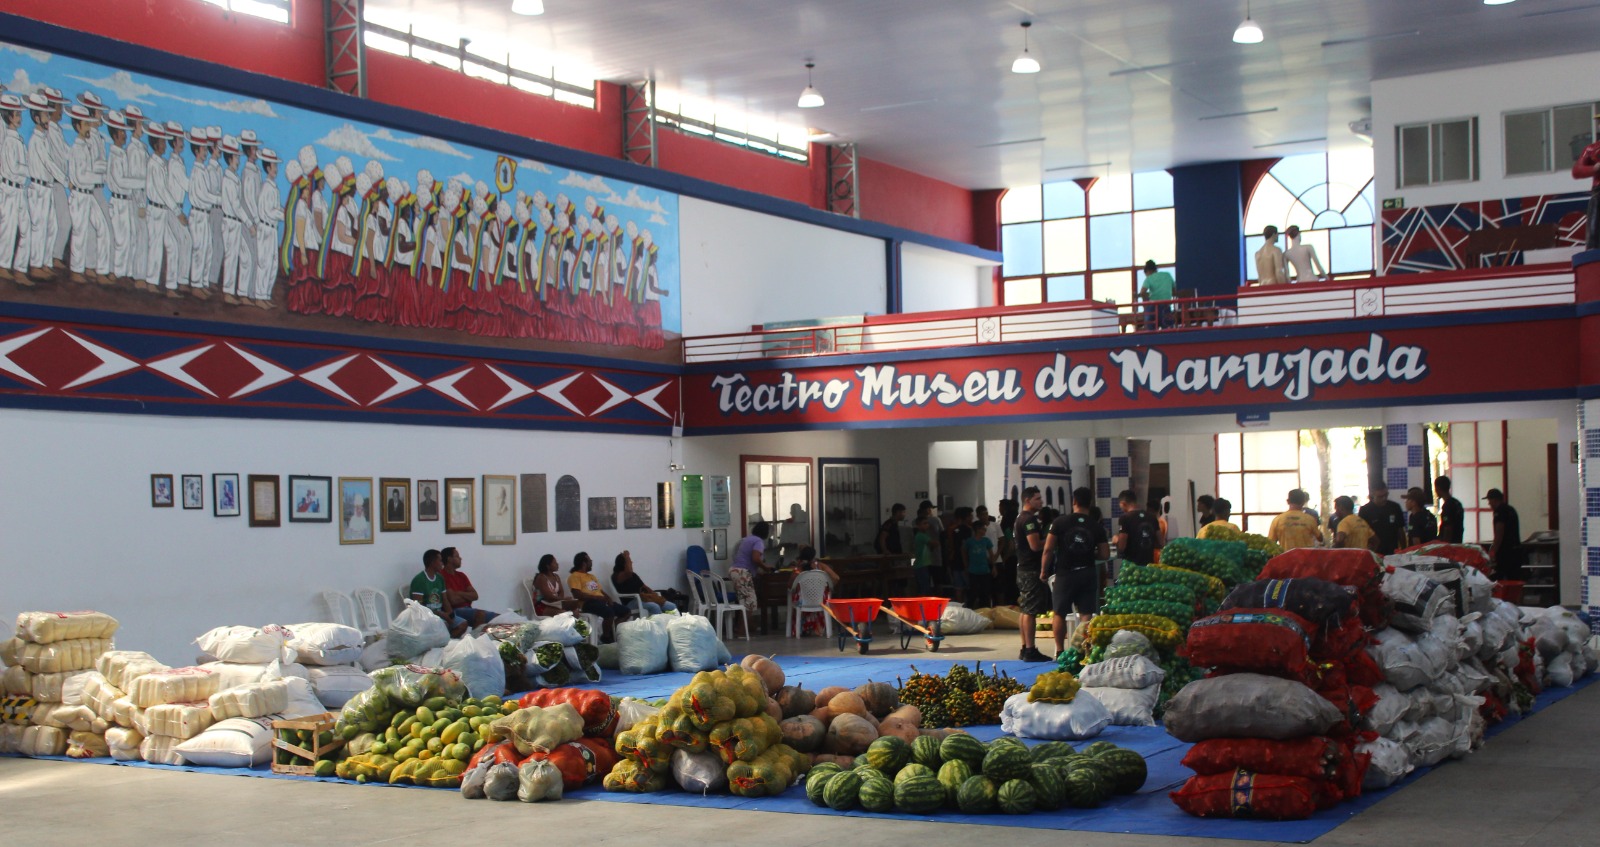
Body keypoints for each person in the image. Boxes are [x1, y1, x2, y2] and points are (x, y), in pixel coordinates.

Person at [1041, 487, 1108, 659]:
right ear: (1090, 503)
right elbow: (1104, 554)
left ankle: (1060, 650)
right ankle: (1084, 651)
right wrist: (1090, 554)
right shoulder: (1096, 526)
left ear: (1074, 501)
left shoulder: (1059, 522)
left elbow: (1048, 549)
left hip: (1065, 574)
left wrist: (1043, 570)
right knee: (1086, 613)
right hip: (1087, 572)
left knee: (1059, 612)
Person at [1013, 486, 1050, 663]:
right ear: (1027, 500)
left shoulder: (1020, 518)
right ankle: (1030, 649)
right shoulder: (1029, 520)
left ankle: (1024, 647)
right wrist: (1051, 541)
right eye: (1037, 498)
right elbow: (1035, 545)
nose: (1041, 501)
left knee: (1025, 609)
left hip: (1023, 568)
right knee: (1030, 611)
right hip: (1030, 569)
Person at [568, 552, 631, 643]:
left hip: (600, 601)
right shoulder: (574, 576)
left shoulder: (591, 576)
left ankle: (611, 634)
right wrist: (596, 598)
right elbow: (577, 595)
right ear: (584, 563)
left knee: (626, 611)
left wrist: (608, 598)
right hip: (587, 603)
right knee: (609, 612)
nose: (591, 562)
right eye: (590, 560)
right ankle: (605, 637)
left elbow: (600, 591)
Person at [727, 521, 770, 638]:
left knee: (744, 601)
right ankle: (742, 631)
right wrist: (765, 567)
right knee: (750, 602)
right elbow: (755, 558)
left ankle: (749, 627)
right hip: (742, 572)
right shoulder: (758, 542)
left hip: (734, 570)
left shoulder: (747, 539)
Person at [409, 549, 461, 637]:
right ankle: (443, 644)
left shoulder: (440, 578)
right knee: (445, 625)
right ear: (433, 562)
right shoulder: (419, 580)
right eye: (440, 561)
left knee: (462, 624)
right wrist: (440, 614)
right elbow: (418, 607)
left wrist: (450, 615)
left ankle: (445, 643)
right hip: (426, 616)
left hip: (441, 614)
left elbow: (445, 600)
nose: (442, 563)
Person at [788, 546, 837, 636]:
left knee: (796, 597)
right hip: (820, 601)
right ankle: (817, 628)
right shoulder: (821, 566)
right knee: (823, 597)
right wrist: (828, 587)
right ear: (813, 556)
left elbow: (790, 586)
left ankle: (802, 628)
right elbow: (836, 578)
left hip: (803, 602)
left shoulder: (798, 570)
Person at [612, 550, 676, 616]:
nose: (631, 562)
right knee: (654, 606)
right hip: (631, 602)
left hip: (643, 598)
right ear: (624, 563)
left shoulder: (633, 575)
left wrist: (654, 596)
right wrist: (627, 556)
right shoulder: (618, 576)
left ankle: (672, 624)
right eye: (629, 561)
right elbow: (629, 571)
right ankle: (657, 625)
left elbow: (644, 587)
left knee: (671, 606)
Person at [440, 546, 488, 630]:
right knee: (480, 615)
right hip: (454, 610)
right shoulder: (442, 575)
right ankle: (474, 640)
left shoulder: (461, 575)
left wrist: (459, 593)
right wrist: (468, 597)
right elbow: (453, 600)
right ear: (449, 559)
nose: (460, 558)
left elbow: (475, 596)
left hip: (467, 609)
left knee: (497, 618)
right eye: (457, 556)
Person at [1114, 489, 1164, 566]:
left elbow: (1121, 547)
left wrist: (1116, 540)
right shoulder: (1152, 518)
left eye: (1120, 506)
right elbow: (1161, 543)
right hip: (1149, 565)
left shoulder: (1125, 518)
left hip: (1131, 567)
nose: (1121, 509)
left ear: (1123, 503)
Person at [1485, 488, 1525, 581]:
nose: (1489, 504)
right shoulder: (1511, 509)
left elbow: (1499, 534)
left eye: (1489, 500)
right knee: (1515, 579)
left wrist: (1492, 552)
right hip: (1516, 551)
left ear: (1495, 499)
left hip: (1505, 553)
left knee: (1500, 580)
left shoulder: (1499, 512)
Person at [1574, 113, 1600, 250]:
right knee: (1594, 223)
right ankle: (1593, 251)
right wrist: (1594, 168)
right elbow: (1577, 171)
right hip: (1598, 191)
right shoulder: (1591, 149)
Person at [1358, 482, 1406, 556]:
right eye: (1380, 496)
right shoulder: (1365, 510)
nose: (1384, 498)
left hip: (1393, 551)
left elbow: (1400, 530)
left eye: (1386, 495)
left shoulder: (1394, 507)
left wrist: (1404, 550)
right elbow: (1362, 533)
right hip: (1374, 552)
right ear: (1372, 494)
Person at [964, 519, 997, 609]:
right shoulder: (969, 541)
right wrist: (966, 565)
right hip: (973, 570)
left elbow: (991, 554)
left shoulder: (986, 541)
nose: (984, 531)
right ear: (977, 529)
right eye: (983, 529)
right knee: (973, 591)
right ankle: (970, 609)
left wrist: (993, 567)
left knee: (985, 592)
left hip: (985, 570)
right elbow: (964, 553)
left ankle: (985, 609)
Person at [1137, 259, 1176, 330]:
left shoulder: (1149, 279)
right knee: (1168, 330)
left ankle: (1148, 329)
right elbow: (1174, 290)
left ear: (1148, 271)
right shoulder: (1167, 275)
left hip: (1154, 307)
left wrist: (1148, 298)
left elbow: (1142, 292)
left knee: (1151, 330)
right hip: (1166, 306)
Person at [947, 506, 974, 602]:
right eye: (970, 515)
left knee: (958, 587)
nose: (972, 517)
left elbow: (950, 545)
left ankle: (960, 607)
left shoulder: (952, 529)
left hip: (955, 560)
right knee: (969, 586)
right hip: (966, 561)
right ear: (966, 517)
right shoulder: (969, 530)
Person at [909, 514, 936, 594]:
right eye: (924, 523)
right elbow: (934, 543)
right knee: (924, 587)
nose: (927, 525)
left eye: (927, 523)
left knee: (925, 585)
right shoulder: (921, 536)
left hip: (923, 563)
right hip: (921, 564)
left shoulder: (924, 535)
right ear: (918, 525)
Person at [1435, 476, 1464, 544]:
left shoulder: (1447, 506)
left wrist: (1445, 544)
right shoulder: (1457, 503)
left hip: (1450, 545)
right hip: (1458, 541)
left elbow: (1448, 528)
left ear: (1438, 488)